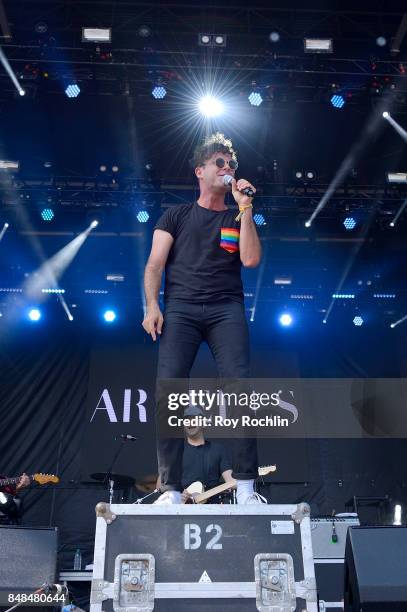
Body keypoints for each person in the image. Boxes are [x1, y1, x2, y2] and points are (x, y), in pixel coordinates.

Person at [142, 132, 264, 504]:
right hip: (181, 308)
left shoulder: (235, 214)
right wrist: (152, 305)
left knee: (240, 388)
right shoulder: (176, 215)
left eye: (232, 165)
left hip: (226, 309)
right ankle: (171, 488)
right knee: (170, 391)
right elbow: (154, 265)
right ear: (201, 170)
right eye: (220, 164)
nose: (228, 170)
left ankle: (245, 485)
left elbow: (250, 260)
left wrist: (246, 209)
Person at [180, 405, 234, 503]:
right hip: (181, 510)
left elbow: (232, 482)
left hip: (212, 509)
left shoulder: (218, 450)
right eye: (187, 420)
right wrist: (178, 495)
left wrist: (245, 477)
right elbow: (161, 486)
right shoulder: (176, 451)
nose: (190, 423)